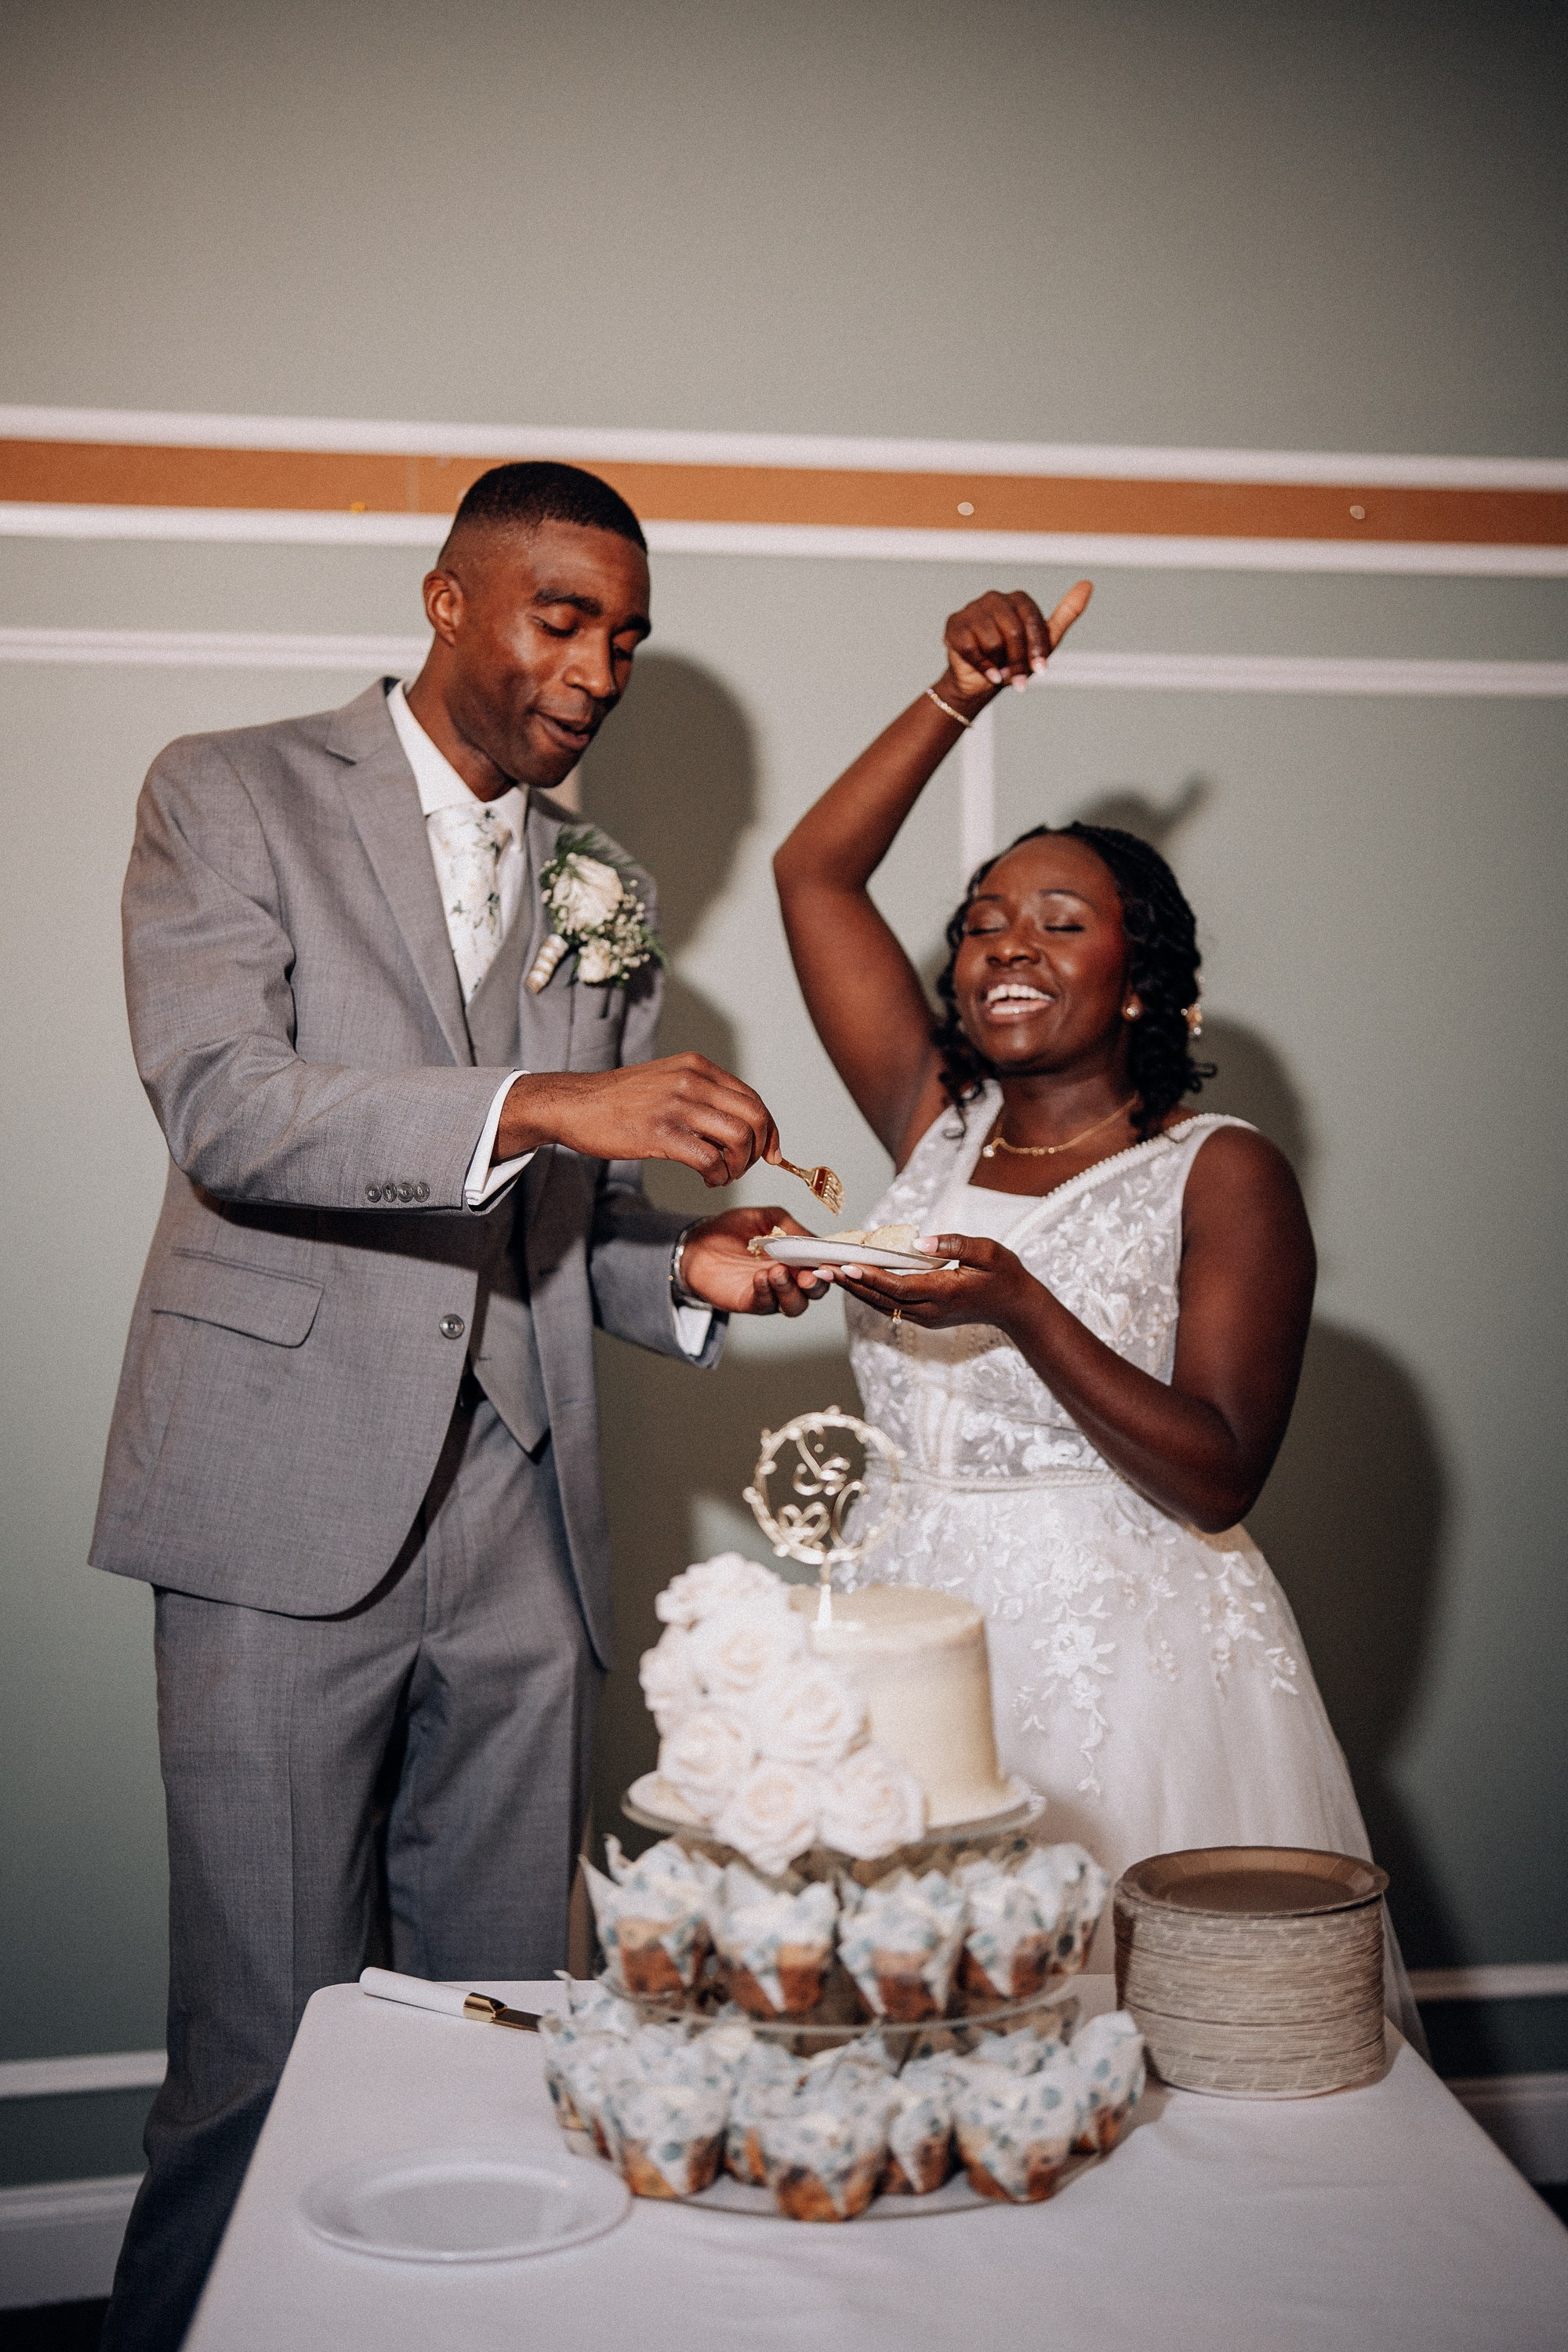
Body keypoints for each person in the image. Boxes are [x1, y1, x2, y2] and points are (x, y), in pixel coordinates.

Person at [93, 461, 817, 2350]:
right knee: (261, 2054)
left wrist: (691, 1273)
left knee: (513, 2039)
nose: (601, 664)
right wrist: (554, 1105)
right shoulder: (228, 788)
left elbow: (565, 1221)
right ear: (446, 600)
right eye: (562, 615)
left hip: (522, 1524)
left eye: (629, 635)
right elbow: (227, 1108)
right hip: (275, 1509)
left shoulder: (607, 886)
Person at [773, 581, 1419, 2024]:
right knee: (916, 2046)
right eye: (986, 921)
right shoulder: (932, 1126)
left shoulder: (1217, 1174)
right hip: (905, 1636)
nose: (1008, 945)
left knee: (1129, 2050)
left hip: (1127, 1662)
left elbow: (1218, 1471)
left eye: (1061, 923)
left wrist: (1025, 1311)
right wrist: (954, 693)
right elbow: (813, 874)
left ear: (1139, 980)